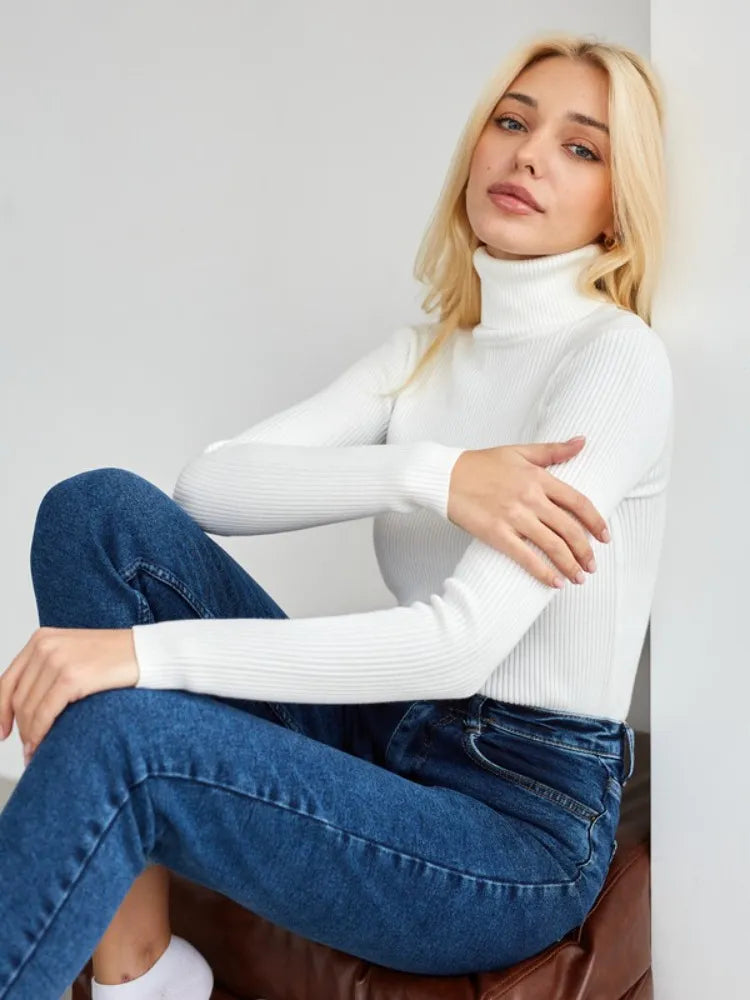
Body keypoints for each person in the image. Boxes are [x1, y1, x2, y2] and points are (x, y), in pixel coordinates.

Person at [0, 29, 672, 999]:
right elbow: (210, 486)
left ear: (619, 208)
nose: (529, 155)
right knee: (95, 514)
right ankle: (139, 970)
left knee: (124, 734)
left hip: (514, 824)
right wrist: (437, 475)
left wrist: (142, 657)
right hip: (386, 739)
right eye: (511, 122)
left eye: (580, 146)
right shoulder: (424, 355)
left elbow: (458, 646)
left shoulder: (615, 361)